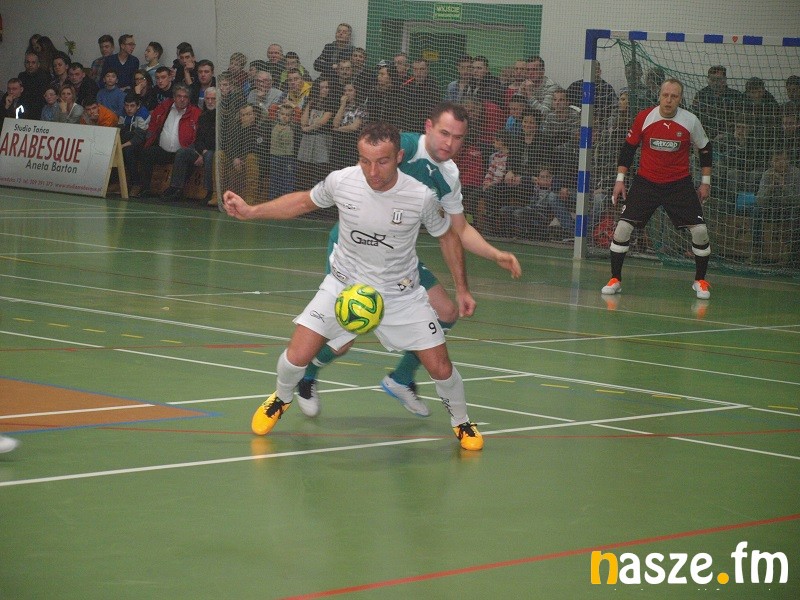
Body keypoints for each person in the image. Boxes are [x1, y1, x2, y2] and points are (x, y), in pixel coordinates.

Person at [222, 122, 484, 451]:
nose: (373, 171)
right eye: (365, 161)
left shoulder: (420, 197)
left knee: (440, 367)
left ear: (399, 157)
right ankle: (281, 397)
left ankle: (461, 422)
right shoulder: (342, 181)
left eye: (382, 161)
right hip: (343, 286)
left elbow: (448, 237)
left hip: (400, 294)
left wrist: (462, 288)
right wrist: (252, 211)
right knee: (296, 355)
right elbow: (302, 202)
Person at [298, 102, 521, 416]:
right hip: (355, 251)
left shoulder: (448, 174)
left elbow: (459, 229)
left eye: (458, 137)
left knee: (446, 311)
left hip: (397, 258)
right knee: (344, 337)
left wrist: (495, 254)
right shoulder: (403, 147)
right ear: (428, 127)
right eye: (444, 133)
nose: (450, 143)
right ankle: (307, 376)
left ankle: (400, 379)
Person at [601, 78, 714, 300]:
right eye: (665, 95)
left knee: (700, 232)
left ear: (680, 99)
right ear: (659, 96)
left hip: (679, 184)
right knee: (622, 229)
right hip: (646, 183)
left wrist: (705, 182)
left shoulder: (690, 121)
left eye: (674, 96)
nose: (669, 100)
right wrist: (620, 180)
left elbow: (705, 149)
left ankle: (700, 281)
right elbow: (628, 149)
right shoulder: (644, 117)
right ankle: (615, 279)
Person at [134, 84, 201, 198]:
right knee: (147, 152)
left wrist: (197, 151)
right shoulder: (164, 107)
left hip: (184, 152)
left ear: (189, 99)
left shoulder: (196, 113)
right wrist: (149, 140)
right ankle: (144, 188)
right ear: (174, 97)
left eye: (185, 97)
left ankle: (175, 189)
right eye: (179, 96)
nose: (182, 99)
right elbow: (153, 124)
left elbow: (199, 135)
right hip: (164, 150)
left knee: (181, 154)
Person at [165, 87, 217, 205]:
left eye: (213, 99)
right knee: (182, 152)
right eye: (207, 98)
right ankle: (176, 188)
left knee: (209, 155)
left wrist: (205, 152)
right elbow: (198, 139)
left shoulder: (223, 117)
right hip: (202, 150)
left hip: (215, 151)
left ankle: (210, 192)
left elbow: (220, 140)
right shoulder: (203, 116)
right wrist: (201, 151)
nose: (210, 101)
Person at [691, 65, 743, 140]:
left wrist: (727, 134)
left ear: (725, 79)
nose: (715, 83)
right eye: (712, 80)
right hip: (704, 135)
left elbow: (740, 119)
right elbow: (694, 115)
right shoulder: (701, 95)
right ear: (708, 79)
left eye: (718, 79)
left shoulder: (735, 96)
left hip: (729, 137)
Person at [118, 92, 151, 189]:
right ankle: (117, 181)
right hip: (129, 138)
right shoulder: (123, 112)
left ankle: (136, 182)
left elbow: (139, 138)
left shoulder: (143, 114)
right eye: (126, 105)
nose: (129, 109)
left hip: (144, 141)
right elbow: (119, 130)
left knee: (127, 151)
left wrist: (122, 146)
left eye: (132, 106)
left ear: (138, 106)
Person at [330, 82, 366, 170]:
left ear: (356, 92)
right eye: (345, 91)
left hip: (352, 143)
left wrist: (338, 129)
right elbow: (335, 123)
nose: (347, 93)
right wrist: (342, 105)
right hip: (338, 142)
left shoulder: (361, 107)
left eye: (350, 90)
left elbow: (354, 127)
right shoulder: (341, 107)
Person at [401, 58, 441, 133]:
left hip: (424, 129)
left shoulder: (432, 86)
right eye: (415, 69)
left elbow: (432, 110)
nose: (418, 72)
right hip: (407, 127)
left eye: (422, 69)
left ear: (427, 70)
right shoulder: (407, 85)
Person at [268, 103, 299, 200]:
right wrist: (281, 104)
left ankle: (286, 201)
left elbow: (298, 112)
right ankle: (273, 200)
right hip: (274, 156)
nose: (284, 116)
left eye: (288, 115)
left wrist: (292, 105)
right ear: (278, 114)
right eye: (282, 114)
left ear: (291, 116)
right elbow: (271, 109)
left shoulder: (293, 126)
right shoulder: (273, 124)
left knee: (287, 180)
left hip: (288, 157)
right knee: (274, 179)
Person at [18, 52, 50, 120]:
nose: (30, 65)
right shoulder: (21, 76)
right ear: (24, 64)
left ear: (38, 64)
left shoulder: (44, 77)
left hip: (39, 111)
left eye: (33, 62)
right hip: (23, 111)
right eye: (28, 62)